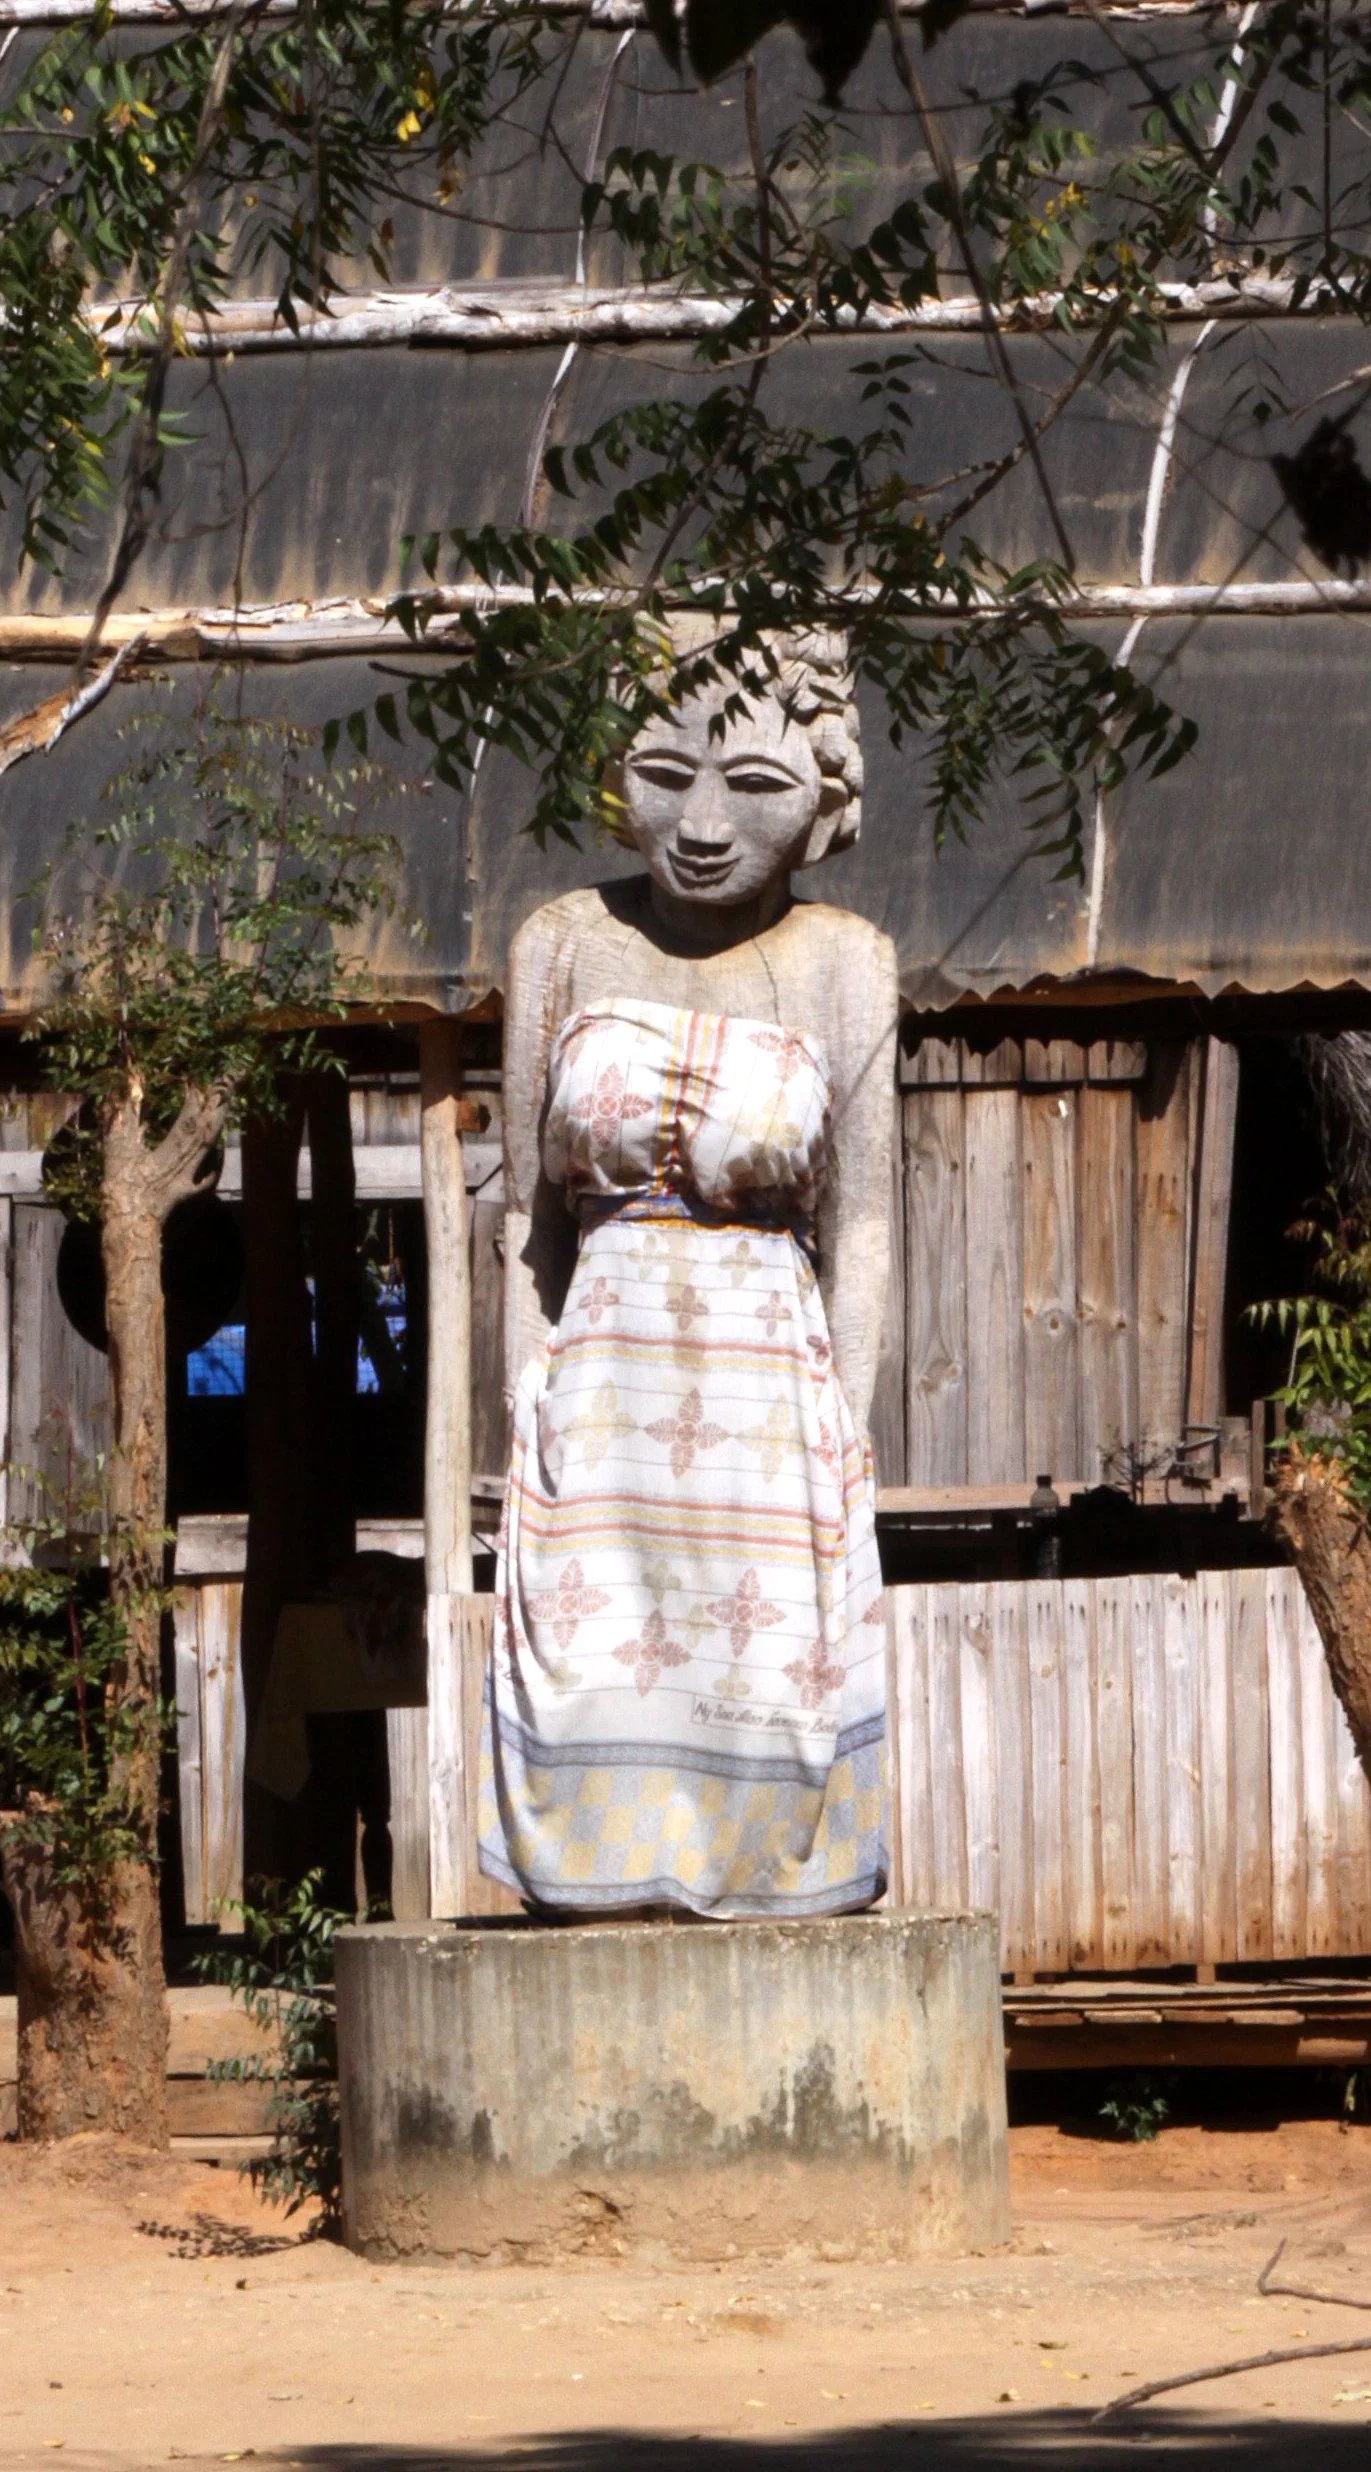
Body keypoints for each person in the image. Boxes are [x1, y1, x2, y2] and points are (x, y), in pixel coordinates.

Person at [480, 625, 899, 1918]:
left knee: (770, 1682)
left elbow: (869, 1220)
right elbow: (527, 1212)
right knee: (595, 1662)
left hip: (772, 1394)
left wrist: (851, 1420)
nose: (704, 823)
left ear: (825, 794)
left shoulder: (849, 964)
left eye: (756, 786)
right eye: (667, 773)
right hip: (600, 1393)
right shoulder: (559, 943)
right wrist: (522, 1401)